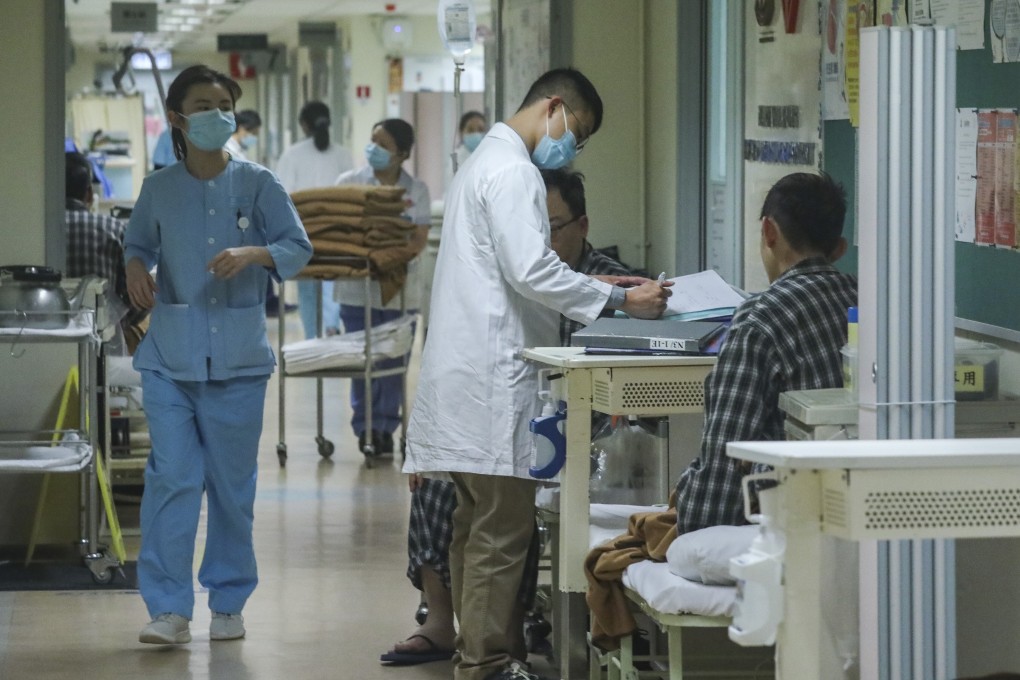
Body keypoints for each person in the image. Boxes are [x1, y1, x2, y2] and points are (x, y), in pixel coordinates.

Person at [402, 68, 669, 680]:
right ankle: (489, 664)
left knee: (474, 533)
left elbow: (513, 272)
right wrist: (621, 301)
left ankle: (480, 657)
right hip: (491, 385)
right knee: (500, 536)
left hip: (468, 381)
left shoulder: (481, 163)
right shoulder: (514, 170)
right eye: (577, 134)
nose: (571, 150)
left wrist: (595, 285)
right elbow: (531, 270)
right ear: (553, 107)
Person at [380, 166, 632, 667]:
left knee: (495, 524)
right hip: (508, 424)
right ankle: (449, 626)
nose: (537, 240)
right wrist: (424, 440)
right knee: (443, 494)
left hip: (586, 437)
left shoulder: (608, 284)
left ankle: (491, 650)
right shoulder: (506, 277)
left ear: (581, 226)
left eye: (550, 228)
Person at [123, 65, 312, 646]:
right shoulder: (159, 188)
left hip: (238, 362)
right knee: (173, 479)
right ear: (178, 119)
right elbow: (137, 242)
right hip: (169, 358)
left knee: (232, 488)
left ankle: (228, 601)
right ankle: (169, 608)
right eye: (202, 104)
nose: (217, 113)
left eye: (224, 103)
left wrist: (256, 251)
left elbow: (298, 249)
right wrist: (134, 266)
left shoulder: (259, 184)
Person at [673, 171, 857, 533]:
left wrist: (684, 514)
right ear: (838, 248)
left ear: (769, 232)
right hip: (859, 513)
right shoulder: (868, 302)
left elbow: (722, 472)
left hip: (783, 522)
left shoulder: (759, 321)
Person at [334, 118, 431, 455]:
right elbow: (339, 231)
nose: (373, 148)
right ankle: (365, 428)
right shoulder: (348, 183)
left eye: (383, 144)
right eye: (372, 140)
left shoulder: (416, 190)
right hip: (355, 289)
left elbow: (418, 239)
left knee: (392, 363)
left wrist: (386, 256)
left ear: (401, 153)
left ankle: (386, 426)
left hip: (399, 290)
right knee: (363, 361)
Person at [276, 101, 354, 338]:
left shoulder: (292, 155)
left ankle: (312, 337)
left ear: (303, 125)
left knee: (308, 287)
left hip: (303, 230)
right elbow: (351, 192)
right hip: (338, 232)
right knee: (333, 281)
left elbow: (283, 195)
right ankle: (331, 326)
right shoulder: (343, 154)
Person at [64, 151, 135, 354]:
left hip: (46, 341)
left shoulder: (38, 231)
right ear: (88, 194)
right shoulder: (114, 228)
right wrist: (118, 320)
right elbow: (135, 294)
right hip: (104, 346)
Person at [445, 110, 488, 188]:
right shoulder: (455, 159)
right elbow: (452, 188)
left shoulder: (491, 156)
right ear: (461, 133)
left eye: (481, 130)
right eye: (471, 130)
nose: (476, 134)